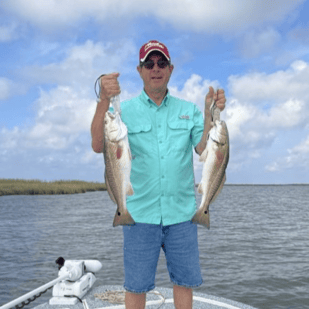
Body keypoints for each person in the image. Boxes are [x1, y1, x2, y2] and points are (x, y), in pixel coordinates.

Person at [91, 40, 226, 309]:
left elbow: (202, 147)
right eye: (149, 63)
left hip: (183, 214)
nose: (155, 68)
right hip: (138, 214)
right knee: (136, 287)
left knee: (184, 283)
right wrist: (103, 100)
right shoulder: (121, 110)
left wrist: (211, 114)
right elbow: (98, 145)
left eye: (161, 63)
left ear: (171, 69)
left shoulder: (187, 110)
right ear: (139, 70)